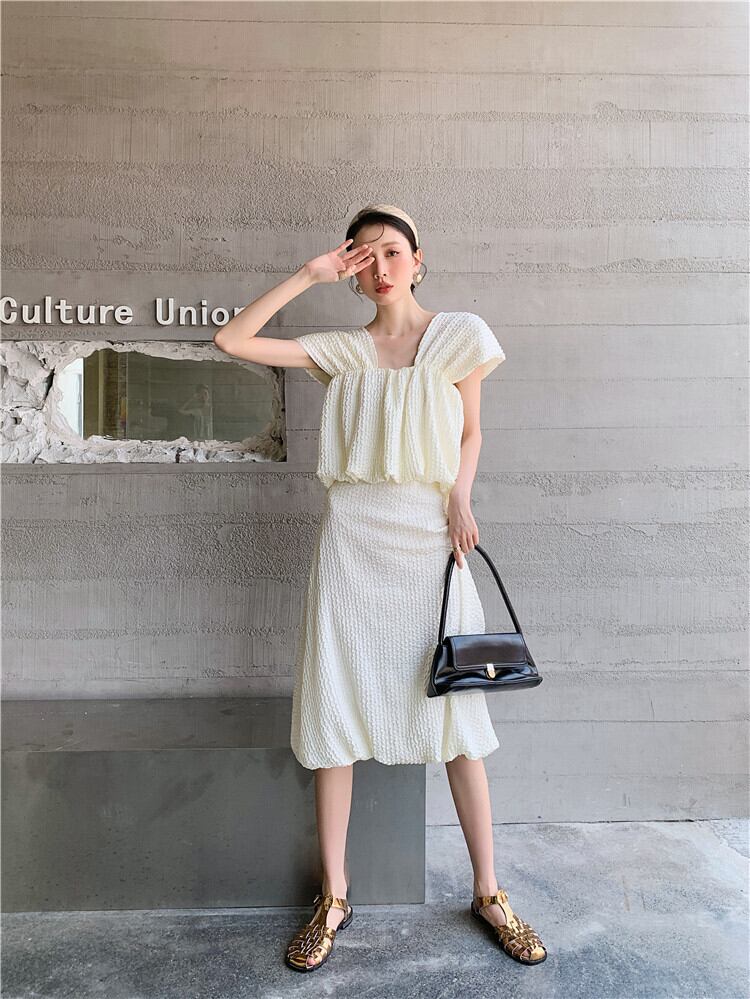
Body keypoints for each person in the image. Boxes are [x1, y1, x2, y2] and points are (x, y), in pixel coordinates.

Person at [213, 204, 547, 972]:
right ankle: (333, 895)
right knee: (335, 709)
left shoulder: (460, 335)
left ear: (419, 260)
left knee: (458, 717)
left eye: (392, 251)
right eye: (364, 256)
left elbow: (471, 431)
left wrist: (460, 495)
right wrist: (309, 275)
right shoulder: (342, 350)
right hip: (352, 543)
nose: (381, 265)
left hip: (431, 538)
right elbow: (231, 340)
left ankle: (489, 891)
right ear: (352, 271)